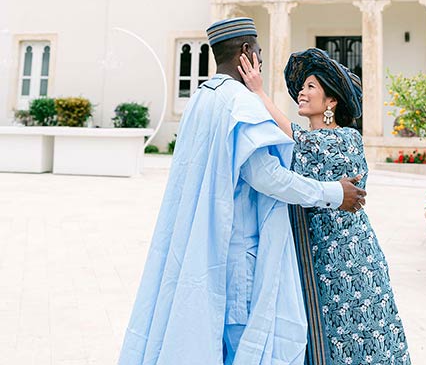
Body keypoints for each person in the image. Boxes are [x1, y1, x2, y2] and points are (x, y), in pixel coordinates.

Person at [118, 19, 366, 365]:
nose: (261, 61)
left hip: (203, 241)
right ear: (247, 53)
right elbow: (268, 177)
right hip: (237, 251)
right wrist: (334, 193)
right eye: (259, 52)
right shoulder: (241, 103)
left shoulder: (201, 99)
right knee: (241, 343)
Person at [239, 47, 412, 365]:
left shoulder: (345, 139)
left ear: (331, 101)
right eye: (302, 88)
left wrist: (258, 91)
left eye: (310, 87)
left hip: (347, 259)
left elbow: (297, 138)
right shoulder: (311, 141)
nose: (302, 94)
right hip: (321, 254)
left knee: (351, 335)